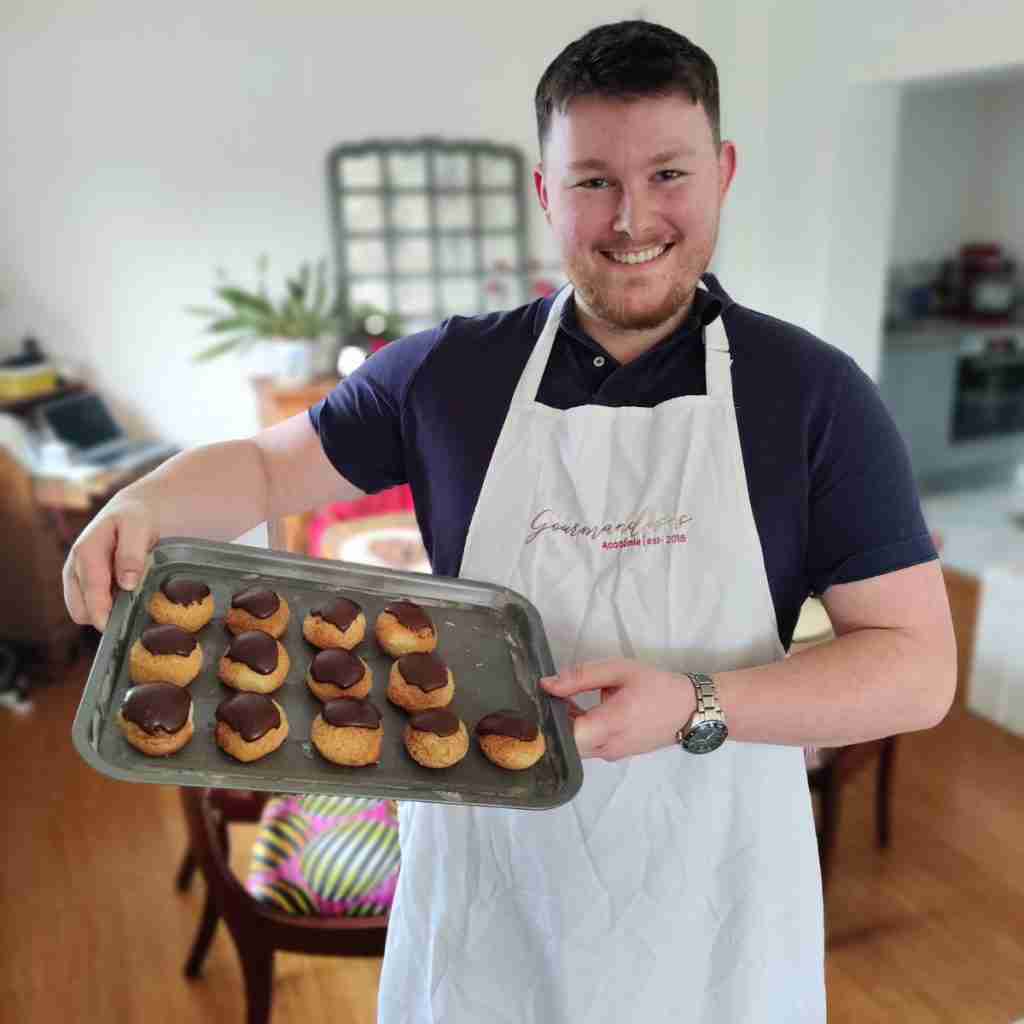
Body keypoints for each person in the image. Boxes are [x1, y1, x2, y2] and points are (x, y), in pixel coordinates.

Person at [64, 19, 956, 1024]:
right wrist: (145, 497)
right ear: (544, 189)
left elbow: (916, 667)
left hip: (713, 906)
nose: (631, 218)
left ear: (723, 172)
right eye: (591, 181)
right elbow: (270, 465)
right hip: (489, 896)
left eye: (668, 173)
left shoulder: (813, 396)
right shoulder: (451, 372)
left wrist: (696, 702)